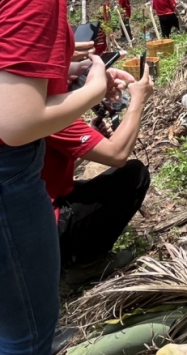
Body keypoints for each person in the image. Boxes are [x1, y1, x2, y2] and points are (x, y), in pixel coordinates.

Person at [0, 0, 131, 355]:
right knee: (26, 339)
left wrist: (58, 69)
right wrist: (96, 84)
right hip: (8, 182)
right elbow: (18, 121)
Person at [44, 65, 153, 285]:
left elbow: (51, 165)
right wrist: (138, 100)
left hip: (28, 219)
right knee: (134, 175)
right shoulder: (49, 114)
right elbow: (118, 153)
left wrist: (91, 136)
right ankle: (87, 265)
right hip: (46, 228)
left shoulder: (20, 111)